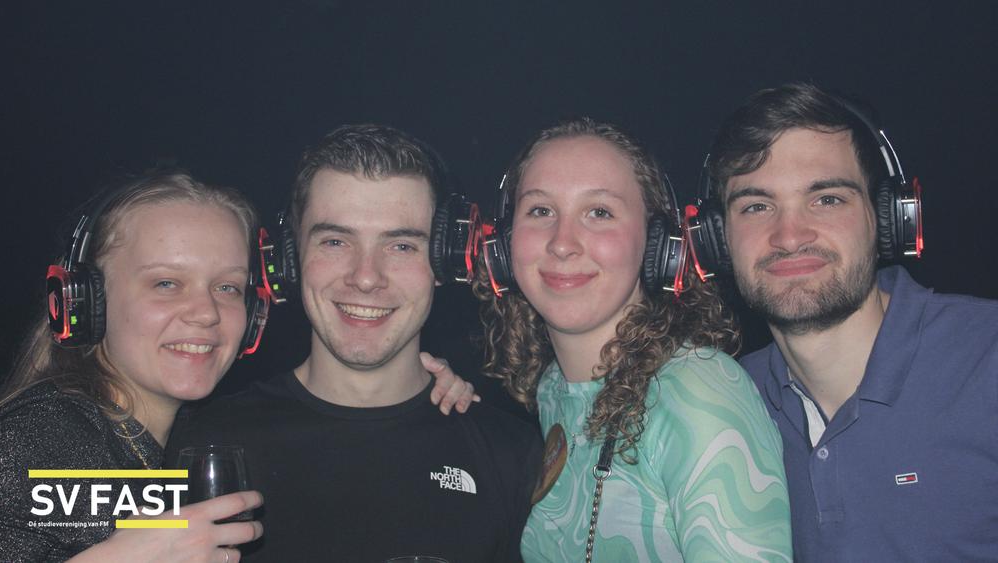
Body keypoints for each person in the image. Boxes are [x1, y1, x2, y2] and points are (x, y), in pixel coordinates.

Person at [167, 124, 543, 562]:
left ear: (445, 261)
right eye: (335, 241)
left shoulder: (514, 456)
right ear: (289, 260)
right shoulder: (201, 445)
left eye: (401, 246)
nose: (365, 277)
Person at [695, 82, 998, 561]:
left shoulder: (987, 359)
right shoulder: (721, 401)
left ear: (887, 218)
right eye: (756, 206)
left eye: (827, 199)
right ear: (717, 242)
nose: (789, 236)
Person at [475, 118, 792, 562]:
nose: (562, 243)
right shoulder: (553, 389)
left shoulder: (696, 390)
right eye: (540, 211)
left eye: (599, 212)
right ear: (505, 244)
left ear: (657, 243)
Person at [0, 170, 265, 562]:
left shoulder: (172, 444)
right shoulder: (41, 437)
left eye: (227, 287)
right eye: (166, 284)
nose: (207, 313)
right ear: (87, 302)